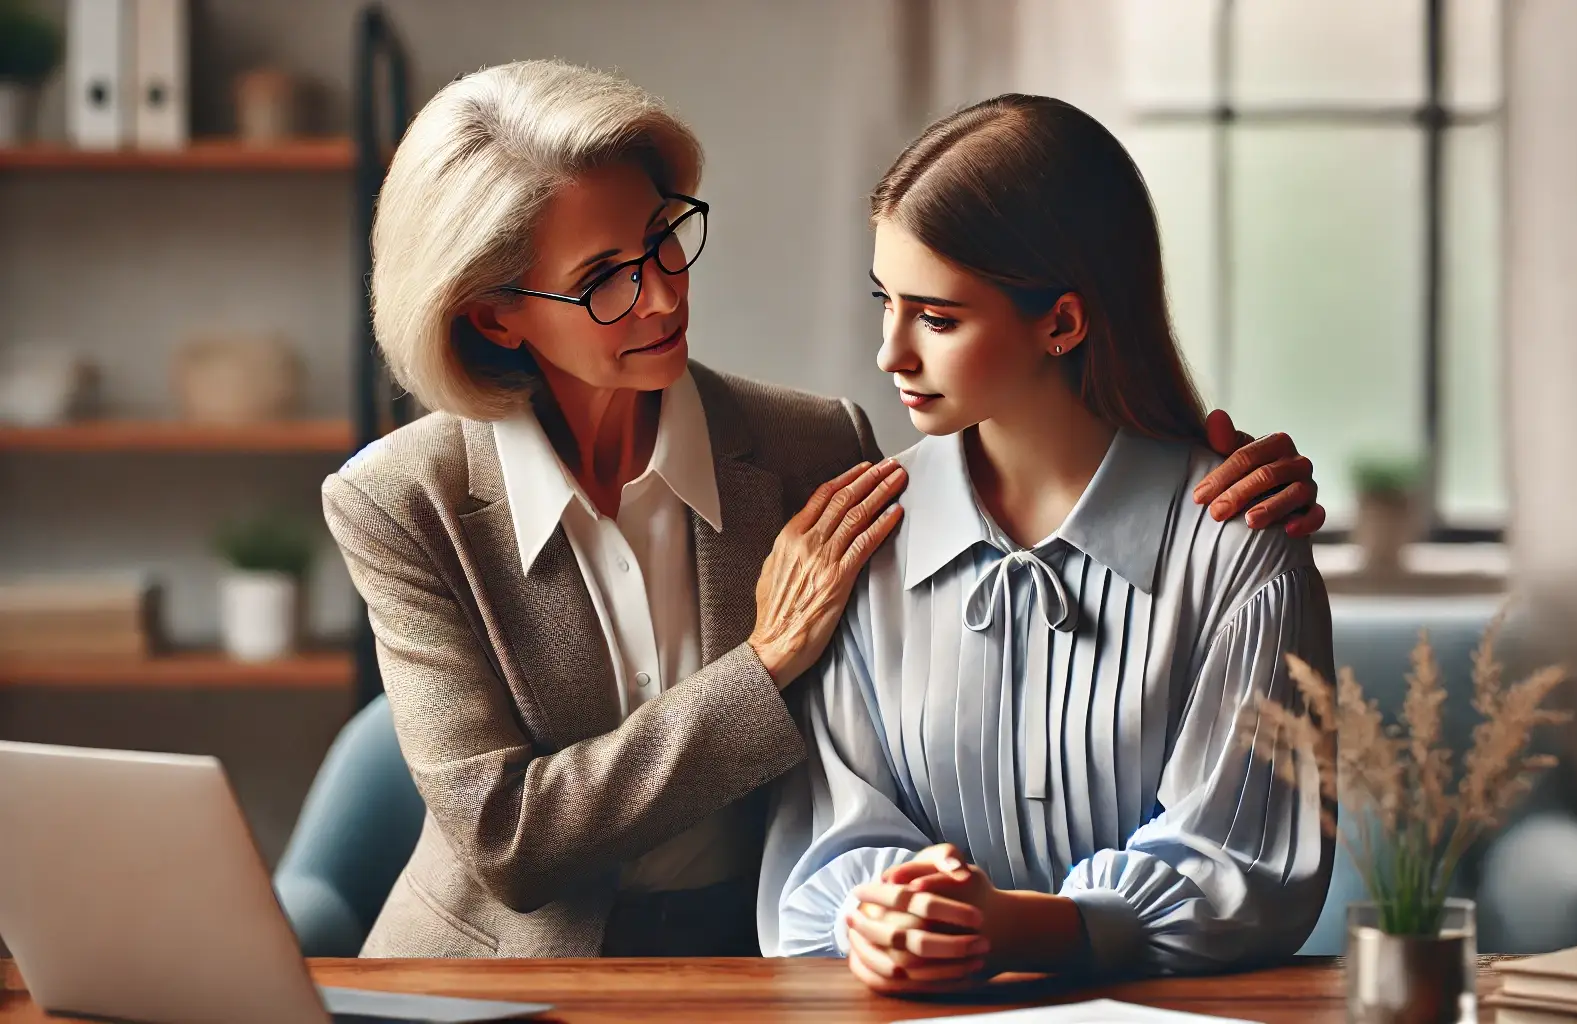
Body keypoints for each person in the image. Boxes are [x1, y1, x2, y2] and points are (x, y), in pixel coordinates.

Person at [325, 61, 1325, 959]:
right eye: (603, 281)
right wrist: (762, 666)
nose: (665, 298)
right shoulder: (399, 502)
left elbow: (1065, 443)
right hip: (491, 973)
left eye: (663, 242)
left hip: (747, 969)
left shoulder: (824, 457)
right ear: (493, 312)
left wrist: (1218, 483)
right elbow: (505, 839)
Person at [760, 93, 1334, 989]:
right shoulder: (862, 539)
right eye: (887, 303)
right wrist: (879, 918)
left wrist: (1025, 931)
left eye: (938, 319)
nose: (890, 354)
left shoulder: (1241, 548)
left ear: (1063, 323)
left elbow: (1247, 870)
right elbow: (830, 844)